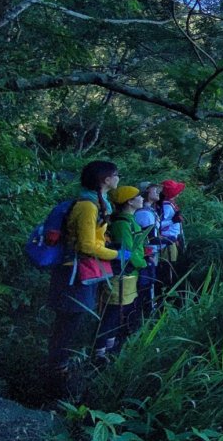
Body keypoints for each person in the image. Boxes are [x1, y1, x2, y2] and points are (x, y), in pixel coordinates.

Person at [46, 161, 128, 392]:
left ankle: (59, 370)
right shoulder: (88, 207)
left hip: (81, 271)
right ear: (105, 179)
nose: (118, 178)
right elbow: (86, 245)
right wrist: (116, 254)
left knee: (71, 322)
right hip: (73, 273)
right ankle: (56, 375)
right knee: (68, 322)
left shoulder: (98, 204)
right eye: (116, 174)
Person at [94, 185, 147, 358]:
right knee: (112, 311)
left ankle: (110, 346)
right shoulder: (122, 224)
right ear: (129, 202)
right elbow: (128, 250)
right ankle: (99, 352)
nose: (142, 199)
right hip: (122, 275)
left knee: (120, 311)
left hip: (130, 274)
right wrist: (143, 263)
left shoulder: (129, 221)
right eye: (138, 196)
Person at [155, 179, 186, 305]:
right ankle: (166, 299)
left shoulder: (169, 203)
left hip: (172, 240)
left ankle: (167, 297)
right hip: (167, 242)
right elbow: (158, 224)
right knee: (168, 269)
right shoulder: (166, 206)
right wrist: (174, 220)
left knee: (170, 268)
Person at [133, 181, 162, 315]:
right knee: (146, 285)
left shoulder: (150, 210)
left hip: (150, 254)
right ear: (146, 192)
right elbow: (148, 238)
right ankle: (145, 315)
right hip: (146, 255)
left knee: (149, 284)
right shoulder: (144, 213)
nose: (158, 191)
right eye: (154, 189)